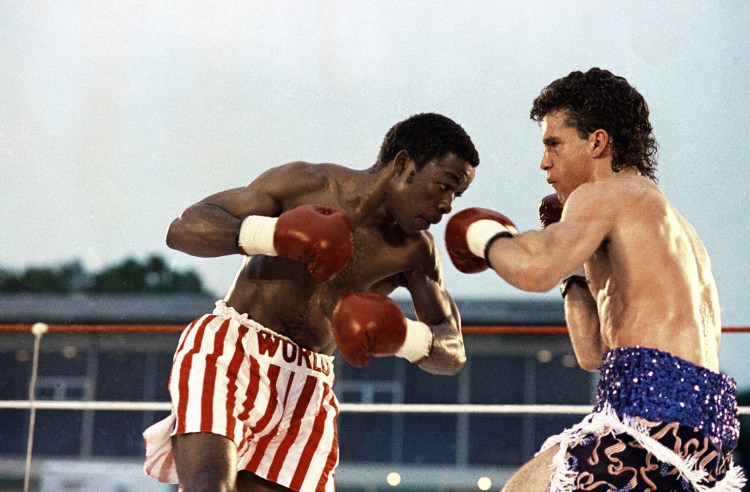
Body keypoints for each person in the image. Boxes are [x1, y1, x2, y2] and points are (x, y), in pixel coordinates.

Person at [142, 112, 480, 492]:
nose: (448, 204)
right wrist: (274, 235)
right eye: (444, 185)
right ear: (403, 165)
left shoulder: (416, 253)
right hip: (232, 350)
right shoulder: (306, 185)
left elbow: (453, 350)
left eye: (457, 194)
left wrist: (404, 336)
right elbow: (184, 228)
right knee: (209, 485)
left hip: (307, 384)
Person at [445, 68, 746, 491]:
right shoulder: (669, 223)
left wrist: (479, 235)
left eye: (554, 144)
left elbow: (533, 269)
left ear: (598, 142)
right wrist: (573, 266)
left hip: (648, 419)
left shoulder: (604, 194)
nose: (544, 162)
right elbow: (590, 353)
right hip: (702, 436)